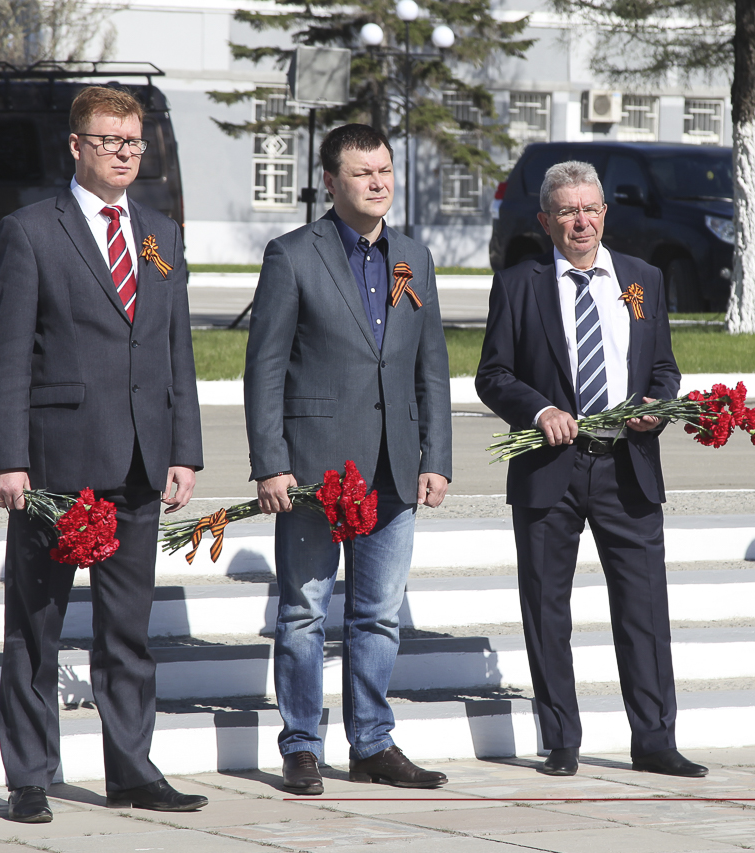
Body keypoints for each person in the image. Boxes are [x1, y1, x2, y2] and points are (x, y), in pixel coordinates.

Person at [0, 86, 208, 822]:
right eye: (110, 140)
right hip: (56, 465)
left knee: (127, 633)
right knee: (36, 629)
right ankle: (30, 774)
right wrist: (6, 458)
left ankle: (133, 768)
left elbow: (176, 348)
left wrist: (185, 449)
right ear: (76, 146)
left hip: (142, 463)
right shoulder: (32, 232)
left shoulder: (159, 235)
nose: (124, 152)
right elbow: (7, 356)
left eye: (134, 142)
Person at [475, 160, 706, 780]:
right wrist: (540, 409)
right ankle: (561, 741)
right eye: (568, 211)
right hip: (549, 471)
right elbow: (493, 375)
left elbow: (662, 367)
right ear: (547, 221)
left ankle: (655, 739)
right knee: (547, 609)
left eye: (592, 209)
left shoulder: (642, 280)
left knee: (643, 609)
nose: (582, 221)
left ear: (606, 214)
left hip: (626, 469)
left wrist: (656, 408)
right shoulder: (519, 285)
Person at [244, 123, 452, 795]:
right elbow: (265, 369)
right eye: (363, 173)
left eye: (386, 170)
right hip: (313, 471)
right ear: (331, 181)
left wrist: (436, 456)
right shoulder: (292, 255)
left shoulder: (413, 258)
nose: (378, 182)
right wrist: (271, 462)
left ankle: (372, 742)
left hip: (394, 468)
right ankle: (302, 744)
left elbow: (432, 368)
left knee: (378, 613)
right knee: (303, 609)